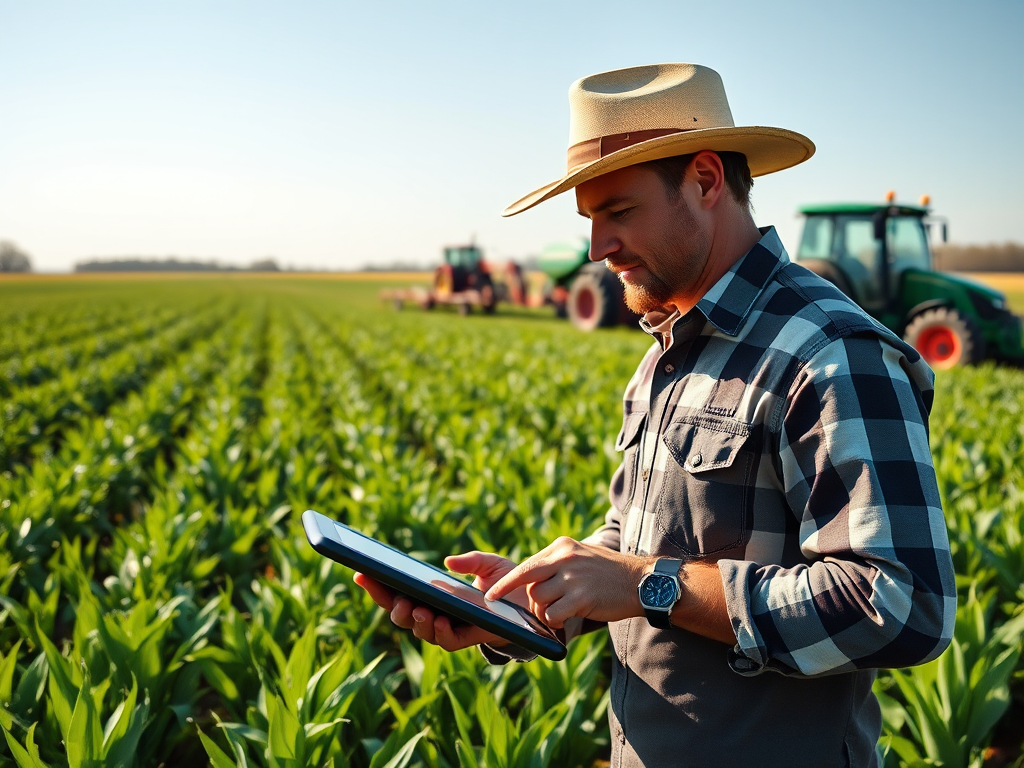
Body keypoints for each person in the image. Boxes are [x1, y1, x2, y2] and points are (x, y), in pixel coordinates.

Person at [355, 63, 956, 767]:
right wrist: (527, 604)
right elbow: (641, 536)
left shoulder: (827, 352)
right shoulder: (667, 349)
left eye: (619, 212)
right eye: (589, 219)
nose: (596, 248)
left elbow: (902, 605)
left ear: (705, 180)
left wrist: (647, 584)